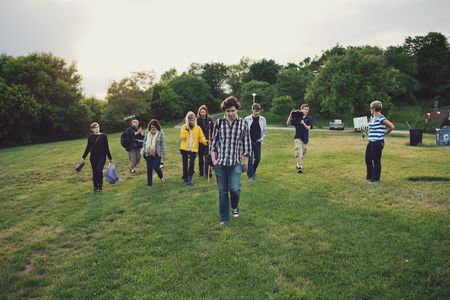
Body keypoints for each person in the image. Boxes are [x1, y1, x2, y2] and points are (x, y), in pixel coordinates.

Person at [211, 96, 251, 224]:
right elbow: (213, 142)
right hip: (220, 163)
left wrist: (245, 162)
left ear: (237, 109)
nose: (230, 113)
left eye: (233, 110)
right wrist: (214, 160)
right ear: (225, 111)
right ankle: (224, 218)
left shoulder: (243, 123)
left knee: (234, 190)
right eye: (228, 111)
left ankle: (234, 207)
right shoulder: (219, 123)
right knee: (222, 192)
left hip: (235, 163)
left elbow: (247, 143)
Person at [362, 100, 395, 183]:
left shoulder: (381, 118)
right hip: (371, 142)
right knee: (368, 159)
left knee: (376, 160)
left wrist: (385, 133)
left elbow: (391, 126)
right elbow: (370, 129)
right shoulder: (372, 118)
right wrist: (364, 132)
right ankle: (369, 176)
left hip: (377, 142)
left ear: (373, 108)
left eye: (370, 108)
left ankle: (375, 178)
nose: (370, 109)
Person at [79, 122, 112, 192]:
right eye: (95, 128)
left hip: (102, 157)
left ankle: (100, 184)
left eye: (98, 127)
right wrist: (83, 157)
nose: (97, 129)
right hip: (93, 157)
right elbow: (88, 148)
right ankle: (95, 186)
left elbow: (106, 148)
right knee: (94, 172)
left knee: (99, 170)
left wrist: (110, 158)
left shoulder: (103, 136)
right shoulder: (90, 137)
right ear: (92, 129)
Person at [180, 111, 208, 185]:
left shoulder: (198, 128)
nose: (191, 121)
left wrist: (206, 142)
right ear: (187, 120)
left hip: (193, 149)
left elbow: (201, 138)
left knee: (192, 163)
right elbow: (182, 138)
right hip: (184, 148)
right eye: (189, 120)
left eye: (192, 120)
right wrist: (187, 130)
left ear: (195, 120)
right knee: (185, 164)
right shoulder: (184, 127)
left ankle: (190, 177)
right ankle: (185, 178)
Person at [287, 104, 313, 174]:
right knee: (299, 151)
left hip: (305, 138)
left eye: (307, 109)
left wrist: (303, 123)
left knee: (303, 151)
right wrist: (290, 114)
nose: (306, 111)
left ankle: (298, 164)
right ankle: (300, 167)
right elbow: (288, 123)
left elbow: (308, 128)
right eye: (305, 109)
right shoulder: (297, 117)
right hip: (297, 138)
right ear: (301, 110)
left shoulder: (309, 118)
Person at [244, 103, 267, 180]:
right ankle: (251, 175)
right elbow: (243, 130)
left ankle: (252, 171)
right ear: (252, 110)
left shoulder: (263, 119)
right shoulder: (247, 119)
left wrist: (261, 139)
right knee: (249, 159)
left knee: (258, 158)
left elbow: (264, 131)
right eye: (255, 110)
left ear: (260, 111)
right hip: (249, 141)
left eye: (258, 111)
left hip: (258, 141)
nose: (256, 112)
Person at [142, 119, 166, 187]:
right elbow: (145, 140)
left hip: (157, 153)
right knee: (149, 168)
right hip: (148, 152)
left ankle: (161, 177)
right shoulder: (147, 131)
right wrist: (144, 149)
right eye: (151, 127)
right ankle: (149, 184)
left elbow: (163, 143)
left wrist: (163, 154)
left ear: (157, 126)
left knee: (156, 167)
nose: (152, 128)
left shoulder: (160, 132)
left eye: (154, 127)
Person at [196, 105, 215, 178]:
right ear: (199, 112)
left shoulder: (210, 119)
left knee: (207, 157)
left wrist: (212, 139)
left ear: (206, 112)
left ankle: (208, 172)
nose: (202, 113)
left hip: (208, 141)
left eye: (204, 112)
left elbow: (213, 130)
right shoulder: (197, 120)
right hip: (200, 141)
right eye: (201, 112)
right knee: (200, 158)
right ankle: (201, 172)